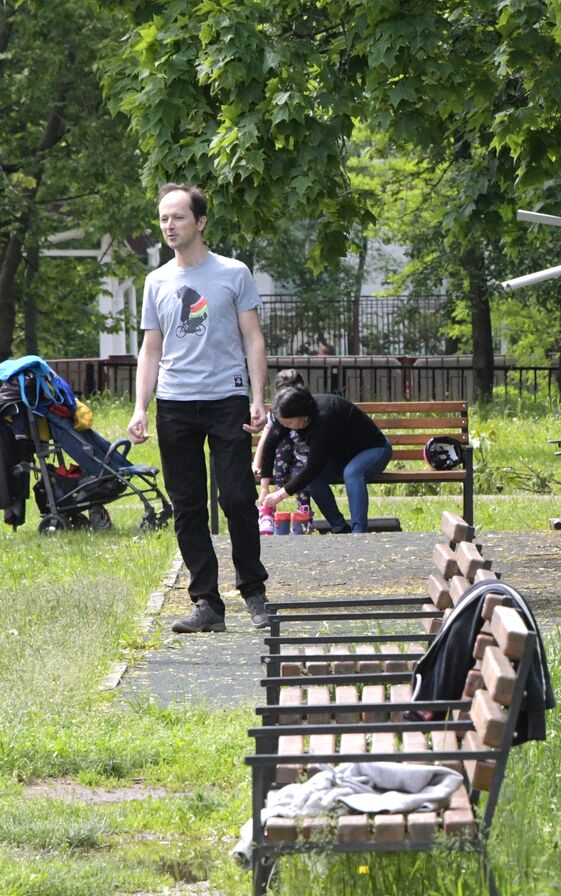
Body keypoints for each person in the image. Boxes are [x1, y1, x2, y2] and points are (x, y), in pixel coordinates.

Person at [127, 183, 272, 633]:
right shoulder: (157, 281)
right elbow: (151, 349)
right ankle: (206, 603)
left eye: (178, 217)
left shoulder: (234, 273)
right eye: (164, 219)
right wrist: (140, 407)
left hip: (226, 399)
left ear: (201, 222)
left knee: (237, 498)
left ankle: (254, 593)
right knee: (188, 506)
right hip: (174, 404)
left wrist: (258, 398)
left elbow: (253, 339)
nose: (169, 226)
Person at [258, 387, 392, 533]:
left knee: (352, 473)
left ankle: (358, 533)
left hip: (374, 449)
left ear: (302, 415)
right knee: (314, 480)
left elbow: (313, 467)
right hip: (342, 456)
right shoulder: (286, 417)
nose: (285, 427)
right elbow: (270, 446)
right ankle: (340, 528)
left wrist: (280, 494)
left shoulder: (324, 417)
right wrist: (264, 488)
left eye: (288, 424)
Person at [253, 369, 312, 533]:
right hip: (282, 461)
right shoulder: (278, 414)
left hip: (303, 460)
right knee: (282, 442)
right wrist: (256, 464)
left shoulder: (307, 410)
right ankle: (268, 510)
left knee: (301, 474)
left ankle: (304, 514)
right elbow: (267, 442)